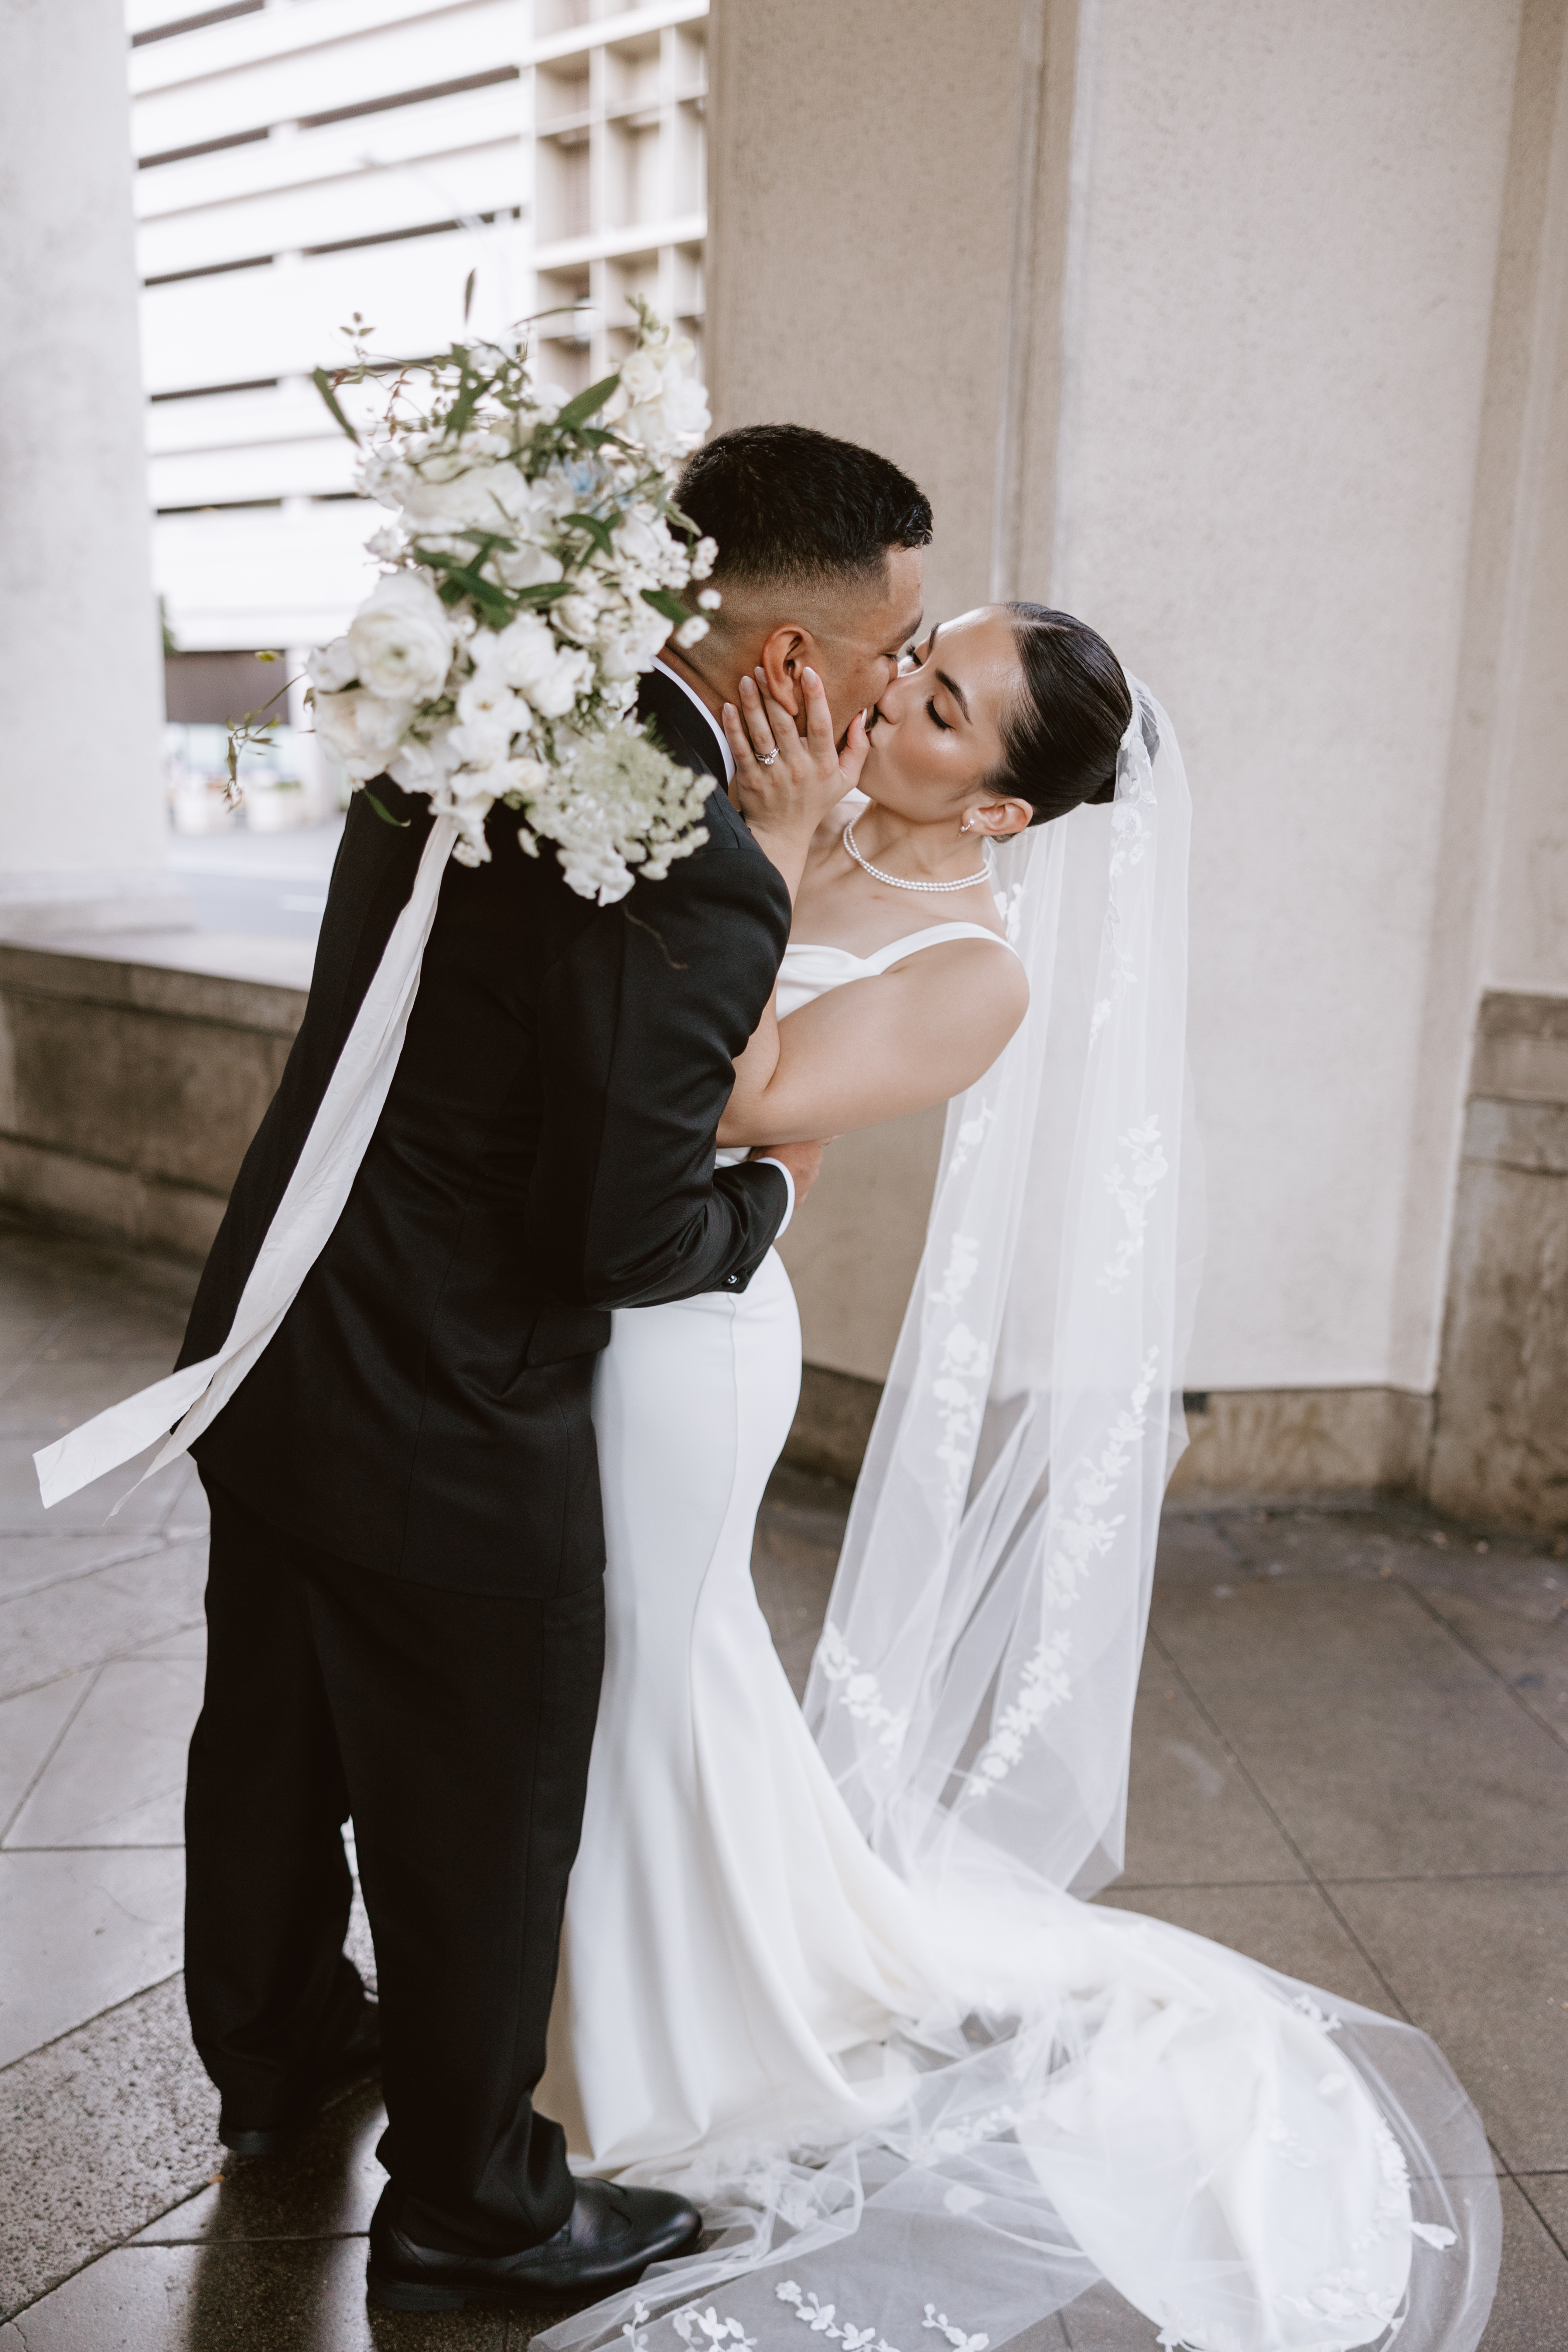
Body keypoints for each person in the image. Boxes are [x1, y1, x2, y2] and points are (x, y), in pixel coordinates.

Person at [395, 432, 1495, 2351]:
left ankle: (652, 2053)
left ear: (998, 812)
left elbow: (726, 1101)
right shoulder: (784, 813)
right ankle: (567, 2021)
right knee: (612, 1664)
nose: (893, 687)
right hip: (588, 1303)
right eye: (918, 658)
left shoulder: (970, 970)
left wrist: (779, 854)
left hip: (691, 1340)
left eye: (943, 697)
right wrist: (780, 840)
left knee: (643, 1658)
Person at [171, 425, 935, 2303]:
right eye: (879, 653)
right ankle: (476, 2205)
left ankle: (270, 2055)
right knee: (479, 1799)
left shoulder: (479, 702)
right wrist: (764, 1197)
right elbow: (617, 1230)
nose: (887, 687)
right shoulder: (696, 864)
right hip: (447, 1405)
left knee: (270, 1721)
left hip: (280, 1327)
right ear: (783, 669)